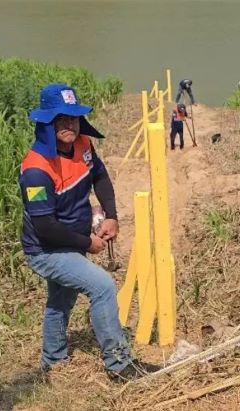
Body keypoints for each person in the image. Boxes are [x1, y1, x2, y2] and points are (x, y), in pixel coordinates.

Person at [19, 83, 156, 381]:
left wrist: (111, 216)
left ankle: (53, 360)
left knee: (62, 298)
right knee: (103, 287)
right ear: (46, 122)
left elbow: (100, 176)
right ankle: (119, 364)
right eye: (61, 119)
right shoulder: (36, 170)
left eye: (73, 117)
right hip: (45, 249)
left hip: (71, 239)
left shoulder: (82, 144)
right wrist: (88, 242)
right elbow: (45, 227)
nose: (69, 124)